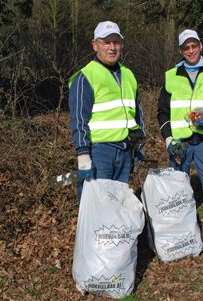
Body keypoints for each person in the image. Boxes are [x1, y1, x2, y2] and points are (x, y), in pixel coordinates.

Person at [157, 29, 203, 252]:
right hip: (179, 144)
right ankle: (179, 239)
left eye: (194, 45)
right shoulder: (171, 75)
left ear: (201, 46)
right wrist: (168, 138)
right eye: (186, 47)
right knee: (176, 194)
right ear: (181, 51)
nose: (191, 50)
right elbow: (162, 111)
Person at [68, 21, 145, 201]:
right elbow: (79, 118)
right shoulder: (85, 76)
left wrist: (140, 145)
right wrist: (83, 154)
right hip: (99, 153)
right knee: (97, 210)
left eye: (116, 42)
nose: (112, 47)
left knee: (117, 209)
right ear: (95, 45)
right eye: (106, 42)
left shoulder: (128, 75)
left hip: (125, 152)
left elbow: (137, 115)